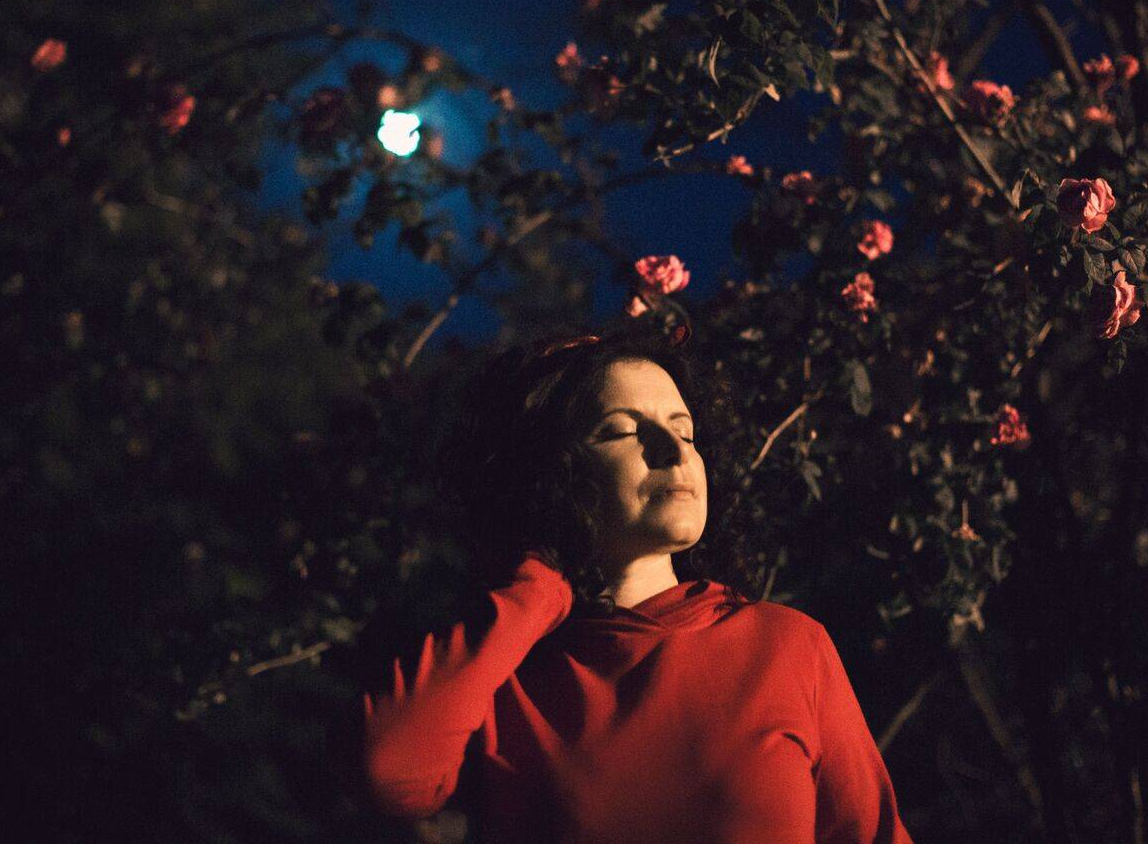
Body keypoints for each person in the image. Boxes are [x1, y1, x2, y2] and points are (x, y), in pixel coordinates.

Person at [360, 329, 914, 843]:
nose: (674, 449)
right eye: (622, 430)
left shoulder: (787, 645)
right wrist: (538, 587)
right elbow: (394, 773)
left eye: (685, 430)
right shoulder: (504, 679)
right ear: (552, 473)